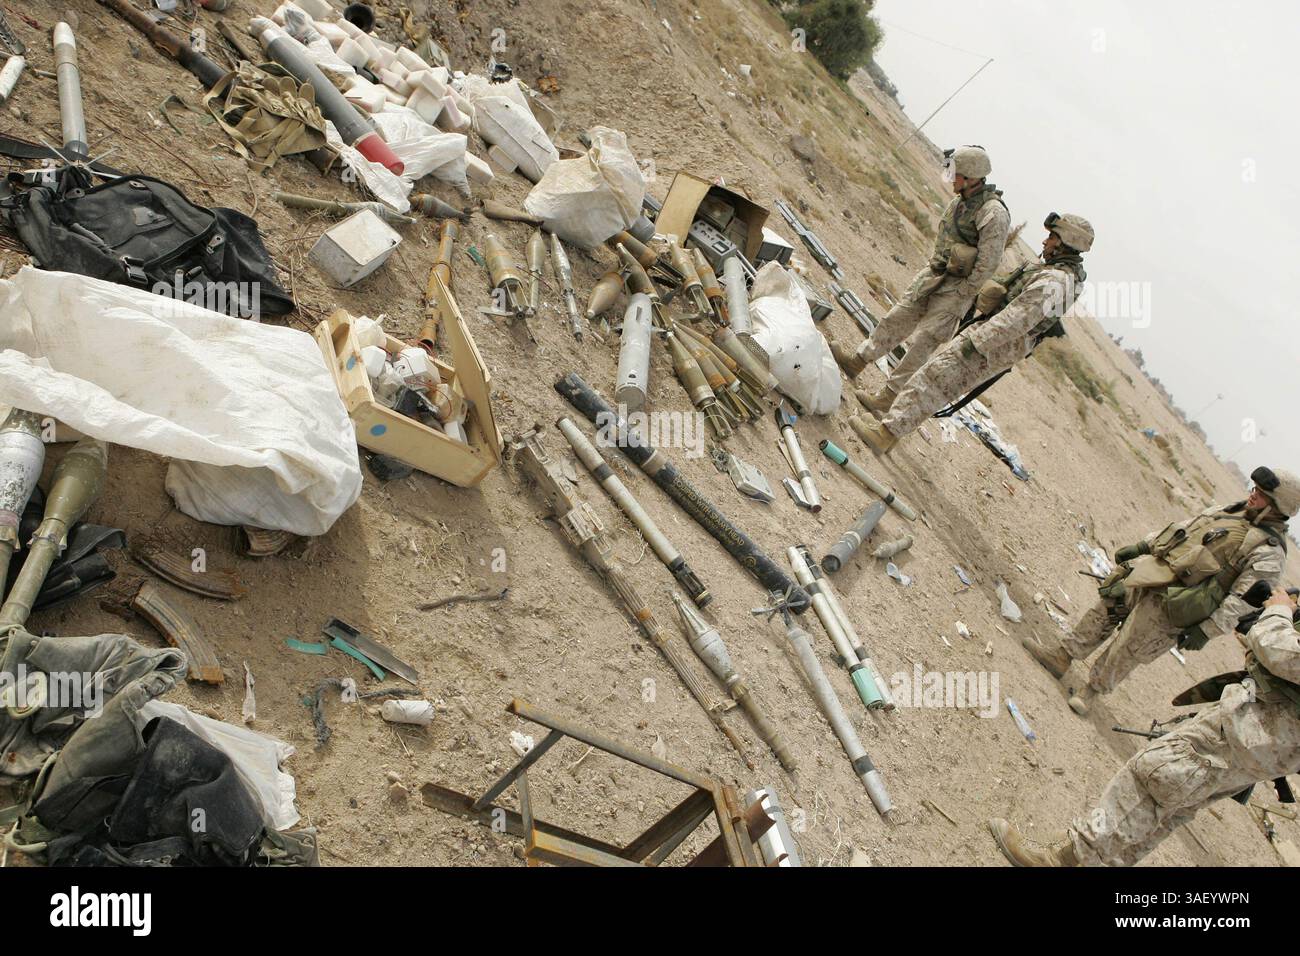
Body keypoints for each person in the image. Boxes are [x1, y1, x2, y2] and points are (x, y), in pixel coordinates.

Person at [990, 586, 1300, 866]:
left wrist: (1279, 610)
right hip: (1267, 746)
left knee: (1152, 781)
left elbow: (1281, 652)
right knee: (1173, 807)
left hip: (1247, 732)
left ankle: (1061, 859)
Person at [1022, 466, 1296, 716]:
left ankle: (1091, 692)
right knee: (1107, 607)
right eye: (1254, 490)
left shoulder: (1269, 552)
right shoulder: (1234, 510)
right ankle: (1062, 656)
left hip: (1181, 603)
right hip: (1157, 571)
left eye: (1261, 495)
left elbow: (1242, 600)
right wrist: (1144, 546)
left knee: (1130, 645)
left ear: (1277, 507)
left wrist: (1207, 630)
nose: (1253, 496)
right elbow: (1187, 529)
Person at [852, 212, 1091, 456]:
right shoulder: (1062, 276)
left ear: (1065, 243)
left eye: (1052, 237)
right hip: (993, 344)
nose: (1045, 242)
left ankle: (884, 435)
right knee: (935, 385)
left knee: (932, 381)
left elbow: (1015, 321)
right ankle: (890, 432)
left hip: (989, 345)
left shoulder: (1056, 280)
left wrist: (975, 343)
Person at [831, 145, 1011, 411]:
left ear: (971, 177)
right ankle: (858, 361)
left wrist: (962, 292)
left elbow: (988, 263)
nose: (951, 179)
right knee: (898, 317)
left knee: (922, 343)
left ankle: (887, 397)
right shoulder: (959, 202)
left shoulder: (993, 213)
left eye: (956, 174)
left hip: (956, 289)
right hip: (935, 274)